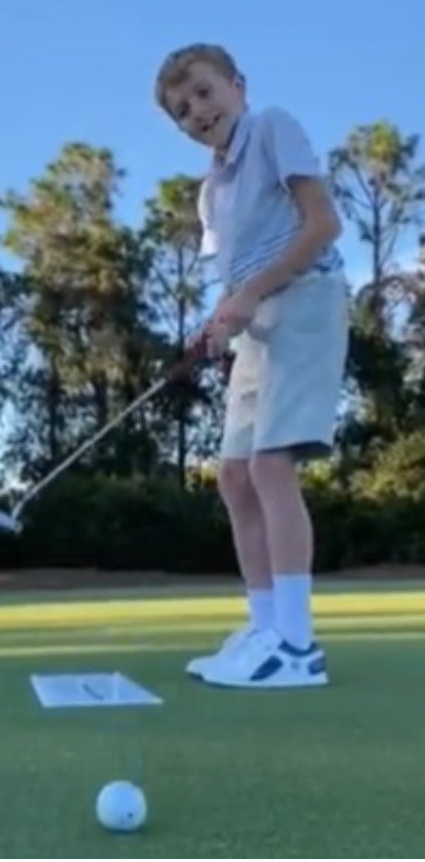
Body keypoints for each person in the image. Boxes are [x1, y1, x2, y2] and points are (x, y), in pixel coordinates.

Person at [154, 44, 347, 689]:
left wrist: (248, 295)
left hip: (306, 301)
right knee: (234, 477)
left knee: (270, 465)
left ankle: (297, 646)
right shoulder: (211, 194)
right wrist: (219, 321)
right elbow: (234, 278)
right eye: (182, 110)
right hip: (257, 324)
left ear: (237, 85)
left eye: (204, 92)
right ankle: (265, 628)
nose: (196, 112)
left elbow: (323, 225)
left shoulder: (272, 128)